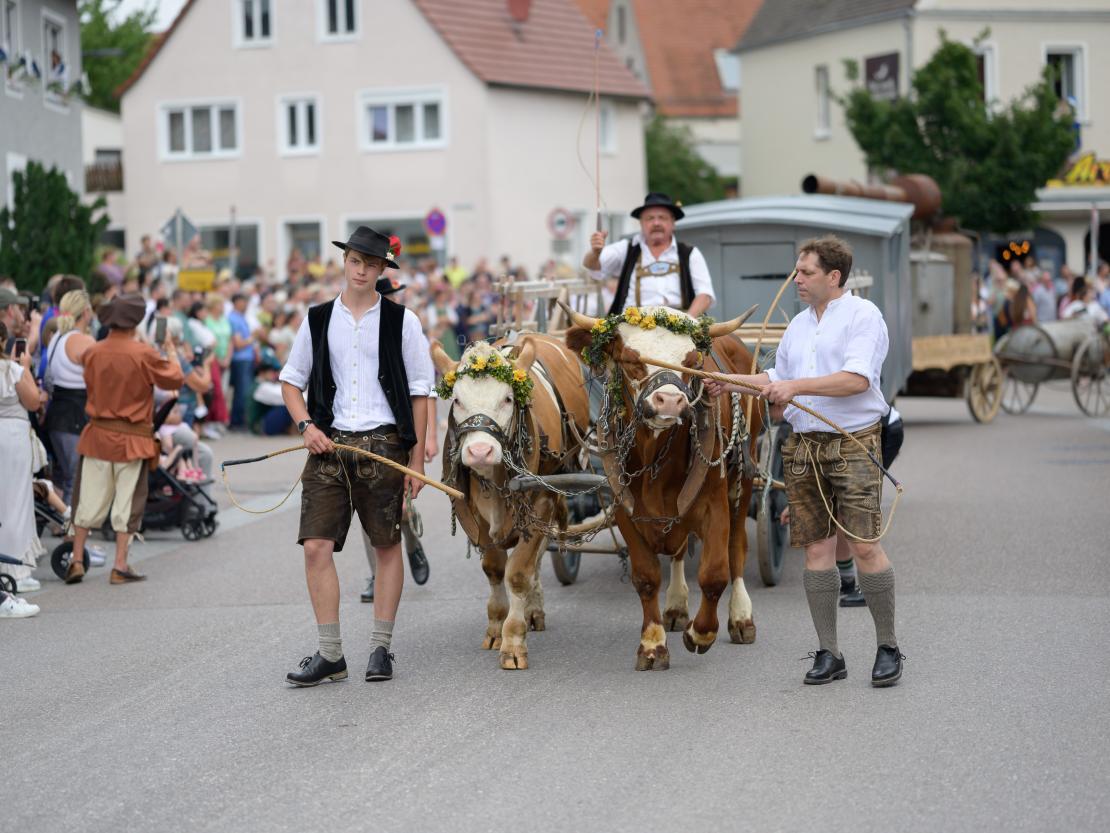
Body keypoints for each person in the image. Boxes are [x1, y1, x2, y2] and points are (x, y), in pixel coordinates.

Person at [707, 235, 904, 687]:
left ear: (833, 277)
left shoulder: (863, 316)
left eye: (806, 272)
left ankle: (888, 646)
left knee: (864, 546)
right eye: (797, 270)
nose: (796, 278)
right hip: (804, 446)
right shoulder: (798, 324)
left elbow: (856, 381)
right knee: (816, 551)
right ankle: (830, 653)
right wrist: (728, 383)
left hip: (852, 441)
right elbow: (776, 377)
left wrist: (794, 389)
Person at [278, 226, 434, 687]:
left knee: (386, 545)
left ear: (383, 268)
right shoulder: (318, 318)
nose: (362, 269)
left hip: (385, 443)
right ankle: (330, 655)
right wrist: (306, 426)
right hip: (330, 444)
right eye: (355, 260)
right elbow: (291, 380)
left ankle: (380, 648)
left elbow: (421, 391)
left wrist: (418, 461)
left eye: (371, 263)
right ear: (344, 262)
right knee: (315, 546)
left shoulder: (403, 322)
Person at [65, 294, 184, 586]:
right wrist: (169, 348)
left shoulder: (93, 351)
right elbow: (174, 380)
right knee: (127, 505)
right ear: (136, 321)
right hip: (133, 438)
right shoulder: (143, 353)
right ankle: (120, 565)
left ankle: (76, 560)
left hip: (97, 435)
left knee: (87, 501)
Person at [583, 192, 715, 317]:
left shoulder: (690, 253)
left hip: (679, 329)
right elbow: (593, 266)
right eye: (650, 218)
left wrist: (687, 323)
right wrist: (595, 252)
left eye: (662, 218)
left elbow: (705, 295)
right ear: (641, 223)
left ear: (673, 223)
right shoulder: (626, 249)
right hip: (631, 328)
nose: (656, 223)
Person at [0, 321, 47, 595]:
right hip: (14, 438)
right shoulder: (12, 370)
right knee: (16, 502)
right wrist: (27, 367)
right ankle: (15, 567)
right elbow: (33, 402)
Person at [44, 290, 95, 505]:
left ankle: (64, 526)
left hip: (56, 415)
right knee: (76, 480)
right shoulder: (83, 341)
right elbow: (101, 377)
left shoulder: (57, 337)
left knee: (67, 478)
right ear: (86, 312)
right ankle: (72, 533)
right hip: (74, 419)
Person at [227, 293, 257, 429]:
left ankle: (239, 420)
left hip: (246, 358)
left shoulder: (241, 317)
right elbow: (238, 343)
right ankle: (238, 421)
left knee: (243, 390)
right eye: (243, 301)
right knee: (242, 391)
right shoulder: (233, 318)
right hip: (240, 359)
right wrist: (253, 338)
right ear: (236, 302)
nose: (245, 304)